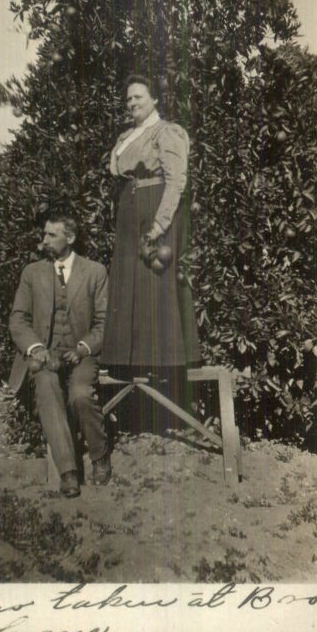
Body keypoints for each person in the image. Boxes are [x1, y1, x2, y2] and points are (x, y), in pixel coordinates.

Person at [101, 74, 201, 393]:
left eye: (139, 97)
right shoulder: (128, 136)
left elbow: (176, 181)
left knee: (156, 281)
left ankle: (165, 360)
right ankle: (128, 359)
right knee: (130, 282)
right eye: (128, 98)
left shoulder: (166, 132)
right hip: (130, 212)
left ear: (155, 99)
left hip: (156, 209)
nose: (132, 103)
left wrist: (159, 225)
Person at [9, 214, 111, 498]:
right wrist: (36, 349)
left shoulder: (95, 271)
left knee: (80, 394)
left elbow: (105, 323)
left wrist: (82, 349)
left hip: (82, 354)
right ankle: (68, 471)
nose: (44, 241)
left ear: (71, 238)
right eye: (45, 234)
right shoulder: (32, 273)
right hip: (45, 355)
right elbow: (18, 319)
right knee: (46, 387)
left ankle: (100, 454)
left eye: (51, 235)